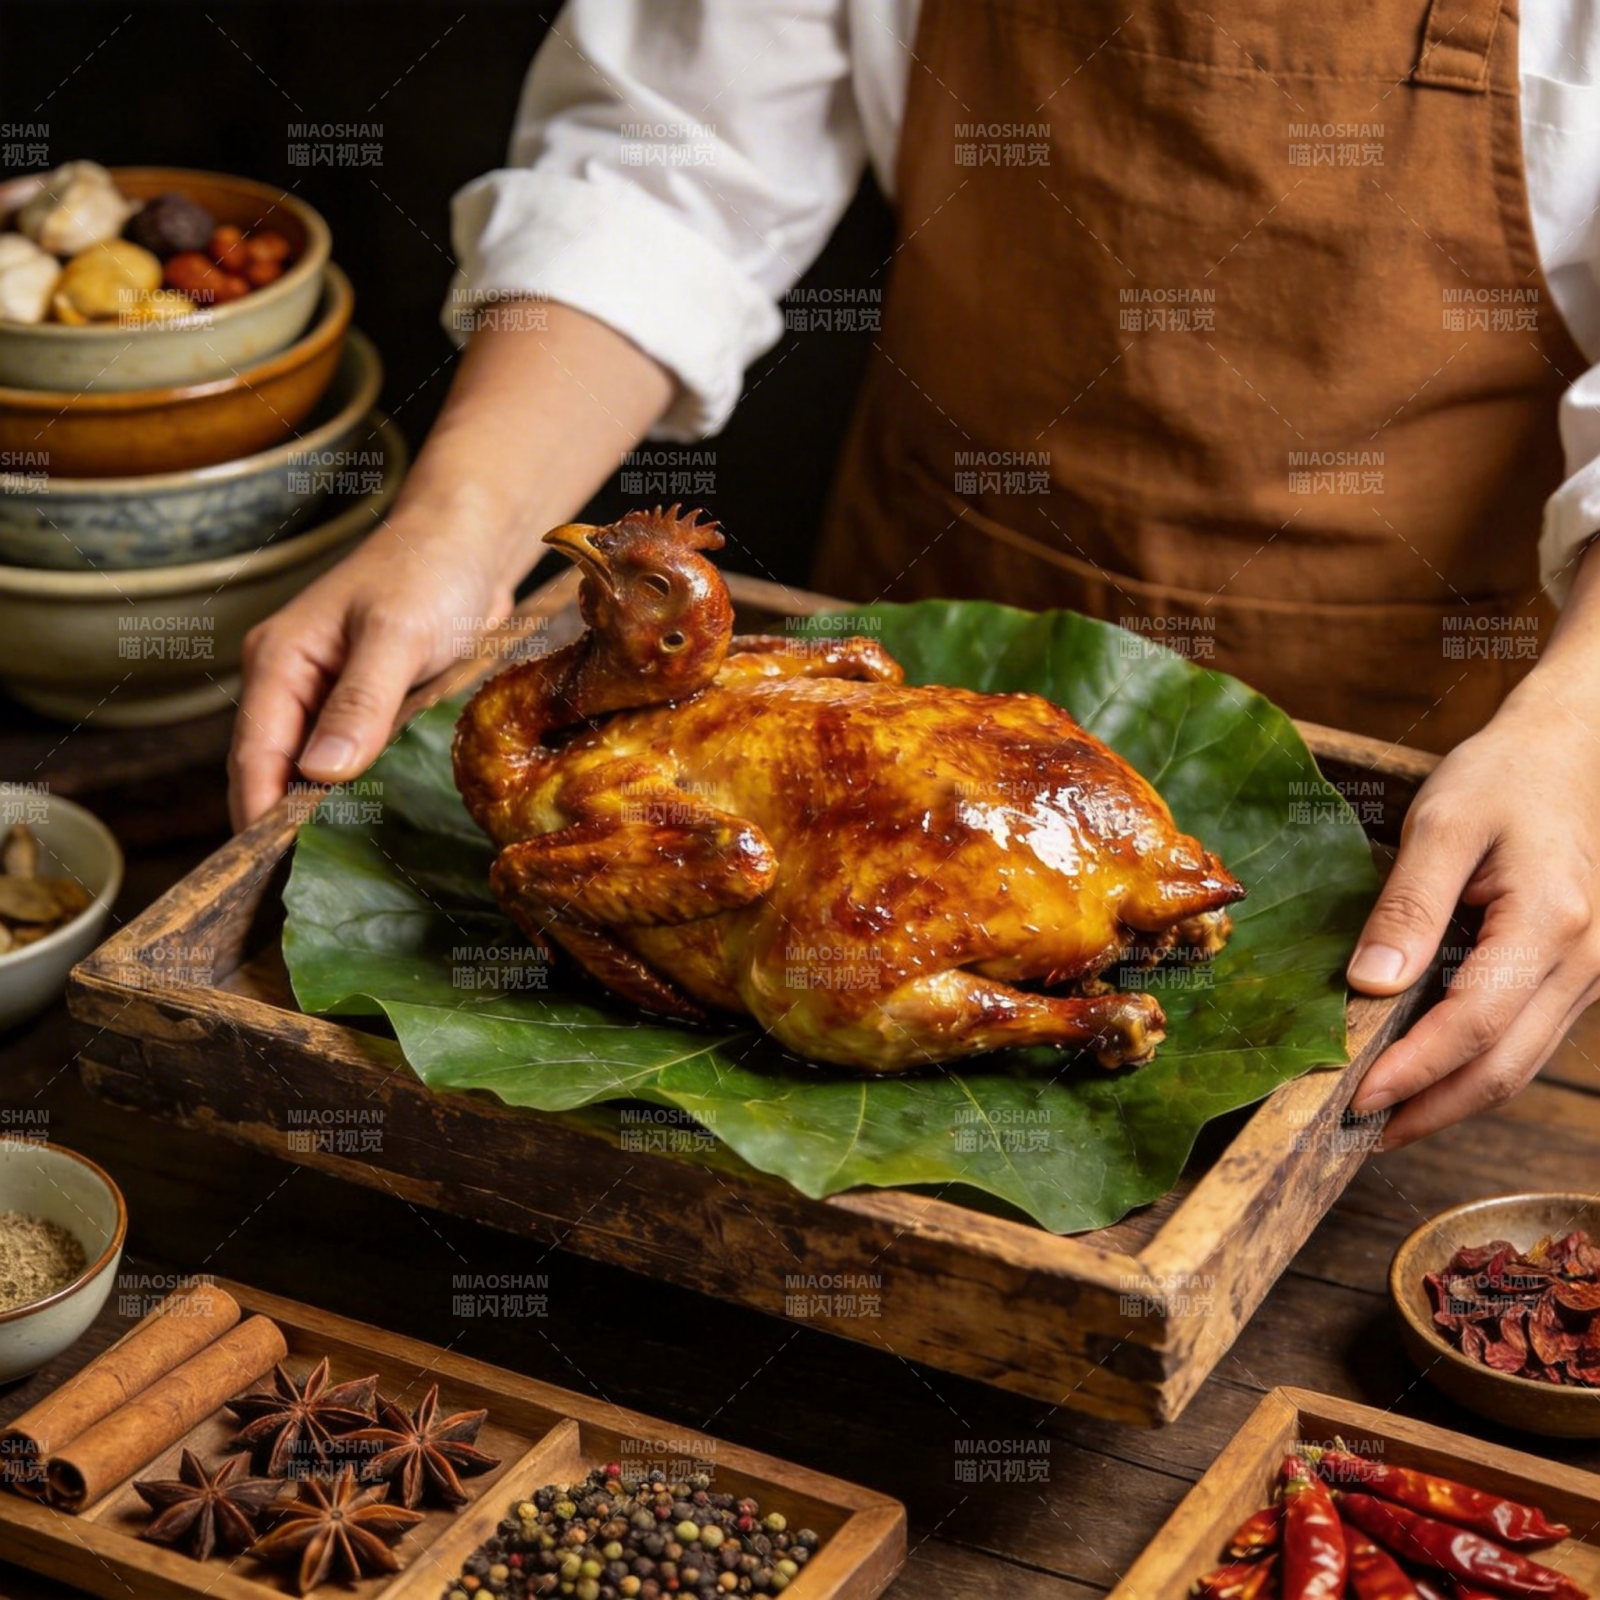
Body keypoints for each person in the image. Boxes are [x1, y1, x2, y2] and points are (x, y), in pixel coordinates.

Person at [230, 0, 1600, 1151]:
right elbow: (664, 166)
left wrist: (1583, 731)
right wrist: (461, 516)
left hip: (1461, 755)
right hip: (926, 610)